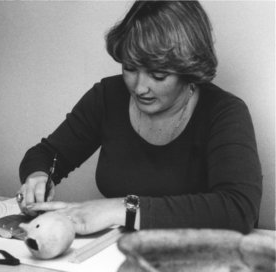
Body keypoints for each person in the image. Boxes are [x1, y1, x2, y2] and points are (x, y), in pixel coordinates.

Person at [16, 0, 262, 235]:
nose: (139, 88)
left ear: (189, 69)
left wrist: (122, 209)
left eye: (158, 75)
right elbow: (46, 154)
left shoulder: (224, 112)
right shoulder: (107, 97)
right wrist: (38, 176)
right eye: (130, 68)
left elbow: (238, 209)